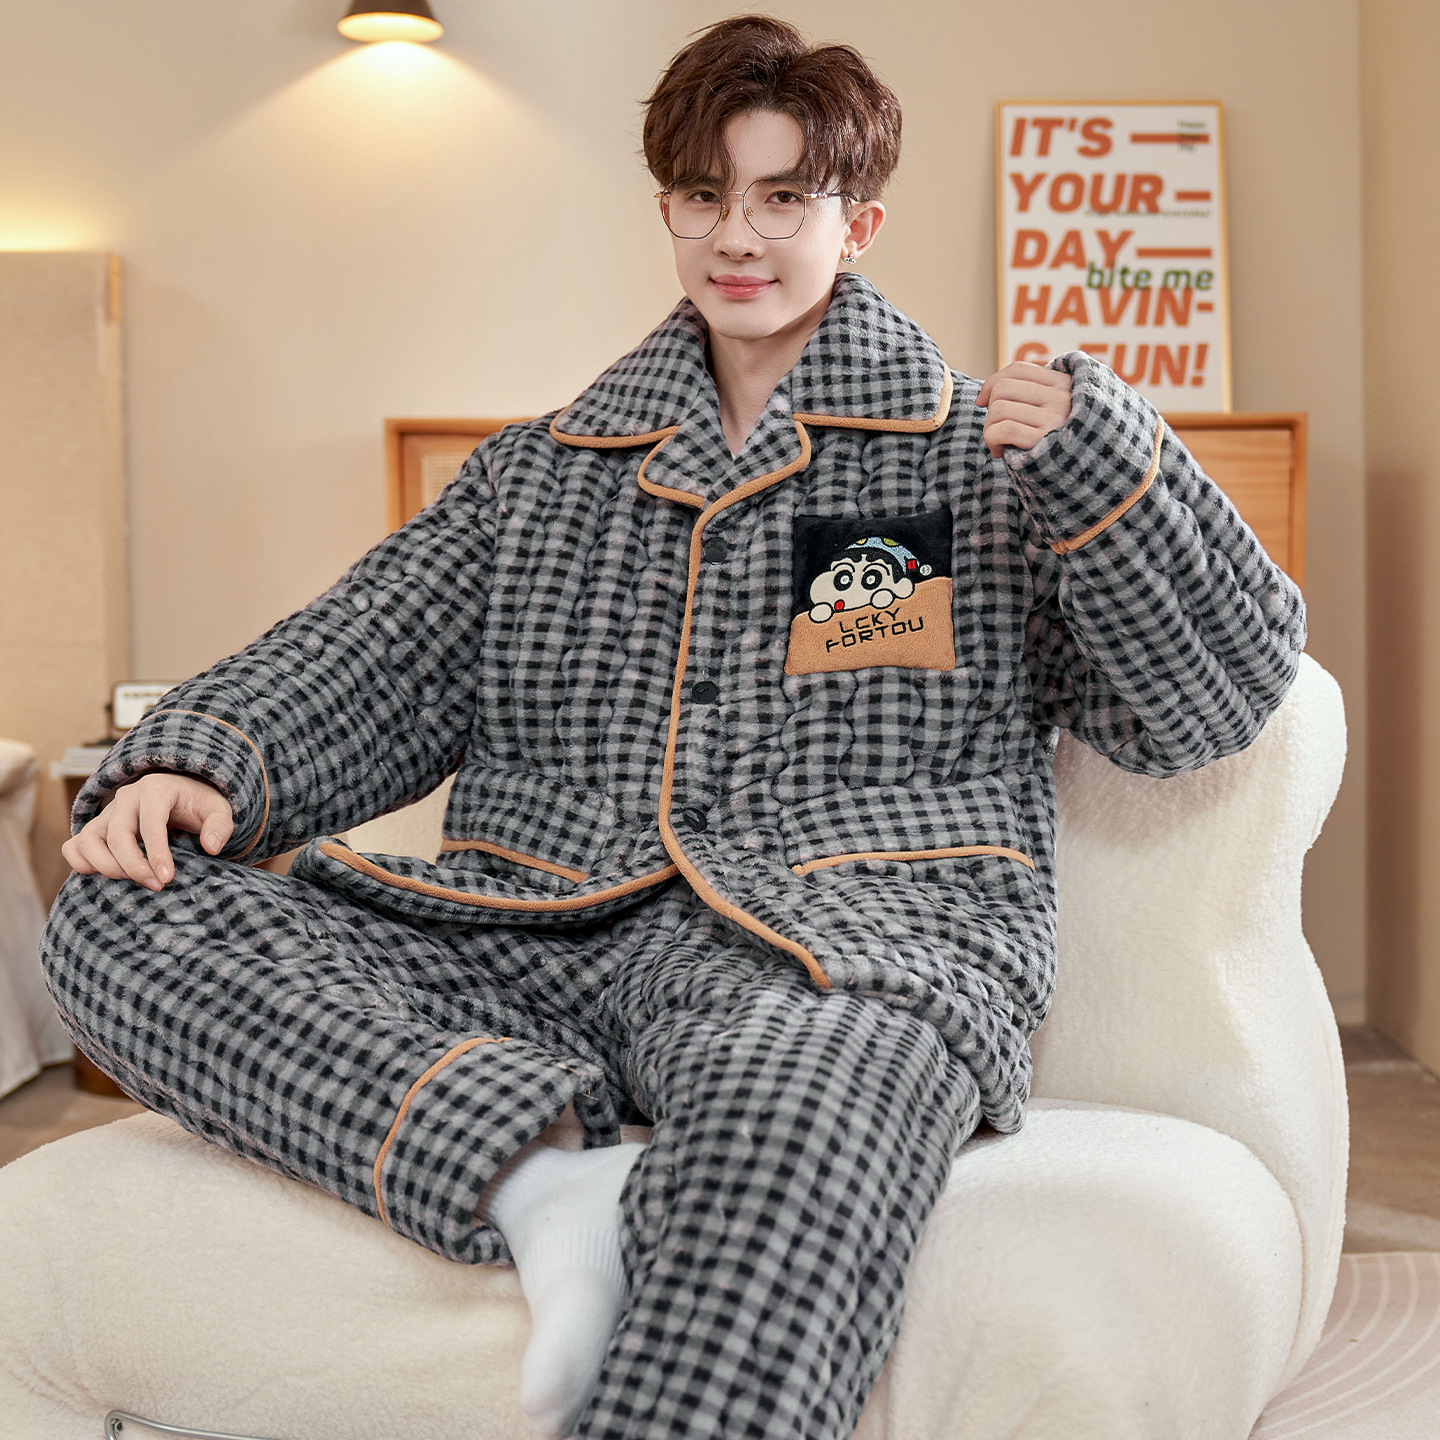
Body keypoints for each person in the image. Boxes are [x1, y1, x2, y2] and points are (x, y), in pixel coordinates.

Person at [43, 15, 1306, 1440]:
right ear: (667, 211)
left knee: (801, 1125)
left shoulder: (982, 460)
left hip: (838, 955)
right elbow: (371, 648)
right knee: (114, 918)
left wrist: (1115, 470)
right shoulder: (540, 474)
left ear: (858, 222)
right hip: (528, 933)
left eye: (783, 196)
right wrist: (199, 757)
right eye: (704, 196)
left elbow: (1206, 707)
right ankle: (540, 1178)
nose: (736, 237)